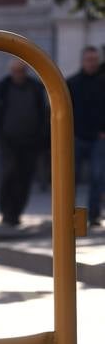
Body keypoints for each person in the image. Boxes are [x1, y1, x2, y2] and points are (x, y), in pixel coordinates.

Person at [0, 60, 49, 227]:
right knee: (8, 175)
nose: (18, 74)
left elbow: (44, 113)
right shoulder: (2, 87)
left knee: (25, 178)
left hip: (31, 141)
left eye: (21, 71)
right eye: (15, 71)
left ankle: (16, 212)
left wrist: (42, 137)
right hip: (8, 141)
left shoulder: (36, 87)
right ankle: (7, 212)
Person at [68, 45, 105, 227]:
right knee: (69, 178)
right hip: (75, 137)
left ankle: (94, 215)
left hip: (98, 138)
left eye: (95, 60)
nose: (92, 63)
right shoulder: (72, 83)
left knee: (97, 177)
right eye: (89, 60)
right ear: (83, 61)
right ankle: (66, 214)